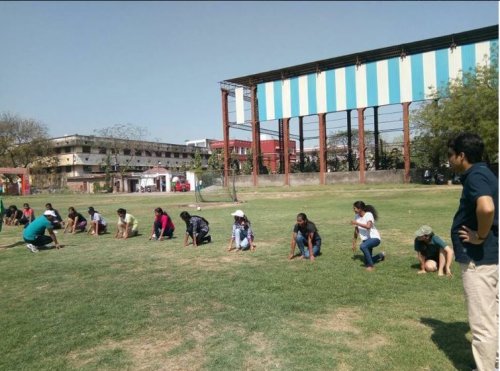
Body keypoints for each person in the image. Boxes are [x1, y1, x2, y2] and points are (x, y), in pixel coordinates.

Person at [447, 132, 498, 371]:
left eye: (451, 155)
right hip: (490, 258)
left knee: (482, 324)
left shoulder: (476, 175)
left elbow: (486, 208)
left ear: (462, 155)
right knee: (493, 317)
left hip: (480, 260)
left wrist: (481, 236)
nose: (450, 161)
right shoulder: (485, 173)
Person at [351, 200, 385, 271]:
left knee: (363, 246)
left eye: (355, 208)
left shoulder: (368, 214)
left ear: (359, 209)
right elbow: (356, 230)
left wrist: (357, 223)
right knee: (367, 261)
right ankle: (381, 255)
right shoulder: (356, 216)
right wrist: (354, 242)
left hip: (374, 238)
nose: (353, 210)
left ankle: (371, 266)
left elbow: (368, 226)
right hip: (366, 240)